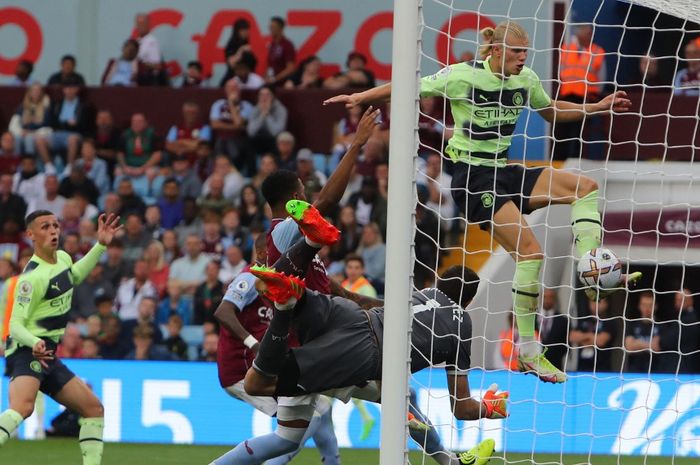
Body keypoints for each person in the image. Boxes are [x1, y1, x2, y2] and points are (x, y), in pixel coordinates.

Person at [325, 20, 641, 384]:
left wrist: (596, 107)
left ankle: (591, 261)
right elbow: (409, 86)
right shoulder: (462, 76)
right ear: (496, 51)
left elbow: (552, 110)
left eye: (526, 52)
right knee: (531, 252)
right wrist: (360, 97)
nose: (523, 59)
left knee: (584, 187)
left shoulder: (526, 81)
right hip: (472, 179)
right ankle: (527, 351)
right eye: (516, 52)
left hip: (503, 171)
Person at [244, 201, 503, 465]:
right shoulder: (462, 323)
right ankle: (435, 447)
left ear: (439, 283)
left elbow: (371, 304)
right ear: (468, 302)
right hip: (367, 353)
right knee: (257, 386)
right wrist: (488, 408)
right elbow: (461, 407)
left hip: (356, 318)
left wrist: (342, 293)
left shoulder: (424, 294)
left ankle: (310, 245)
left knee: (275, 290)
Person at [209, 234, 343, 465]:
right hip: (240, 372)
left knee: (322, 408)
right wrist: (254, 344)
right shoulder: (250, 277)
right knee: (307, 421)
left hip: (263, 369)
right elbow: (223, 312)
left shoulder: (277, 280)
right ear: (262, 254)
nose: (288, 257)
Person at [0, 210, 121, 465]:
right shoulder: (31, 279)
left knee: (93, 410)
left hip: (49, 354)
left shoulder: (64, 259)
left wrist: (100, 245)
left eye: (55, 225)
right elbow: (15, 325)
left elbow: (74, 277)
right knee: (23, 407)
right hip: (27, 350)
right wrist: (35, 343)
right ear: (30, 235)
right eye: (45, 227)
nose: (53, 231)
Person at [553, 24, 606, 160]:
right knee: (562, 130)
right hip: (566, 96)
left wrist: (594, 96)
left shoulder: (598, 52)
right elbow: (560, 71)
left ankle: (575, 160)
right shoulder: (566, 49)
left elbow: (601, 78)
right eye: (585, 32)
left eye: (589, 32)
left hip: (585, 98)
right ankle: (559, 160)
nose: (588, 35)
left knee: (578, 133)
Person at [569, 298, 616, 372]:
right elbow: (572, 337)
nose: (594, 305)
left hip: (602, 369)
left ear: (606, 304)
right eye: (592, 302)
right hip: (582, 368)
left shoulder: (610, 322)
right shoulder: (584, 320)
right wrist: (592, 338)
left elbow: (601, 341)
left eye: (598, 302)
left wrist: (583, 339)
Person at [624, 292, 660, 373]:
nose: (647, 308)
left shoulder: (661, 326)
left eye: (650, 305)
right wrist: (649, 345)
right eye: (644, 305)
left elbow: (656, 347)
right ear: (639, 306)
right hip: (634, 373)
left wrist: (637, 343)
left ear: (656, 306)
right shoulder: (632, 325)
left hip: (656, 373)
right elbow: (629, 347)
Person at [538, 288, 570, 371]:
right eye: (545, 297)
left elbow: (566, 345)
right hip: (535, 366)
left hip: (555, 366)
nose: (547, 300)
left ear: (555, 299)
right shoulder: (532, 318)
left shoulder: (563, 320)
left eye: (550, 297)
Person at [265, 17, 296, 86]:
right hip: (272, 82)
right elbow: (270, 65)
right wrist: (267, 77)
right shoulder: (272, 45)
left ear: (281, 28)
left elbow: (290, 68)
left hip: (283, 83)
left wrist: (275, 79)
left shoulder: (287, 45)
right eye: (270, 27)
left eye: (273, 27)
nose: (271, 30)